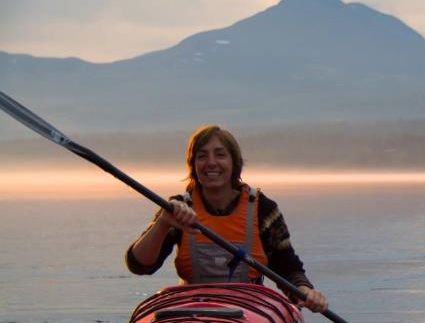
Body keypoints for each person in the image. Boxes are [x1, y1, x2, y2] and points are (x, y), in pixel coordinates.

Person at [126, 125, 327, 312]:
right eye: (202, 156)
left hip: (250, 311)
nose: (211, 162)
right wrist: (163, 223)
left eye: (220, 155)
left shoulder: (263, 209)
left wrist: (305, 291)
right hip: (192, 311)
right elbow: (139, 265)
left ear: (234, 163)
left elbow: (286, 267)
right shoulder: (179, 209)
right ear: (193, 165)